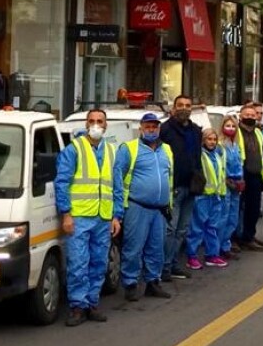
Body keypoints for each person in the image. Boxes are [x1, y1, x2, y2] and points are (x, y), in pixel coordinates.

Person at [54, 108, 120, 326]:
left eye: (99, 121)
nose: (95, 125)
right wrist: (66, 215)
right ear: (86, 124)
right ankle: (77, 306)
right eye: (91, 121)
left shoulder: (111, 151)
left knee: (99, 263)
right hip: (80, 217)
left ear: (106, 125)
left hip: (103, 217)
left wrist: (116, 216)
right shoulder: (74, 149)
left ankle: (92, 303)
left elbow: (117, 186)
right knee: (78, 264)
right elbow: (62, 183)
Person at [113, 113, 174, 302]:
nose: (151, 129)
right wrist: (118, 210)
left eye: (154, 126)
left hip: (160, 209)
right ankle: (130, 283)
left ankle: (153, 282)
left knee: (156, 248)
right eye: (147, 126)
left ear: (159, 128)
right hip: (137, 206)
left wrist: (169, 206)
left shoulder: (167, 150)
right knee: (133, 247)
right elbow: (117, 178)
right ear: (140, 128)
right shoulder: (129, 149)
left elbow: (170, 178)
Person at [160, 93, 202, 281]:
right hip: (173, 188)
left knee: (182, 230)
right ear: (174, 108)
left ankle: (174, 263)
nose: (184, 108)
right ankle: (163, 268)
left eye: (188, 105)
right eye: (181, 105)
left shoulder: (195, 131)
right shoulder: (165, 130)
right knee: (170, 229)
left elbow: (197, 157)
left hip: (191, 187)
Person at [185, 128, 228, 269]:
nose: (212, 142)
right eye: (209, 139)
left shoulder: (217, 155)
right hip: (202, 196)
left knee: (212, 227)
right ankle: (191, 256)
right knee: (197, 228)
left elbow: (220, 175)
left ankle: (212, 255)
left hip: (215, 196)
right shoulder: (200, 155)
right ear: (203, 140)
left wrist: (221, 193)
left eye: (214, 139)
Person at [236, 105, 263, 250]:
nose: (250, 117)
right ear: (240, 116)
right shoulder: (236, 132)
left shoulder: (259, 132)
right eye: (247, 114)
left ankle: (249, 236)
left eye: (253, 115)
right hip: (241, 175)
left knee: (253, 209)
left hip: (256, 175)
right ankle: (236, 239)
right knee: (237, 209)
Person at [218, 113, 244, 260]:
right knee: (224, 217)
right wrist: (228, 181)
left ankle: (226, 245)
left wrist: (241, 180)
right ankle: (218, 248)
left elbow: (239, 164)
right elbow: (220, 167)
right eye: (228, 125)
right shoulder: (220, 145)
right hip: (226, 185)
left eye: (233, 126)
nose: (231, 128)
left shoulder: (236, 145)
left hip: (236, 184)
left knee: (233, 217)